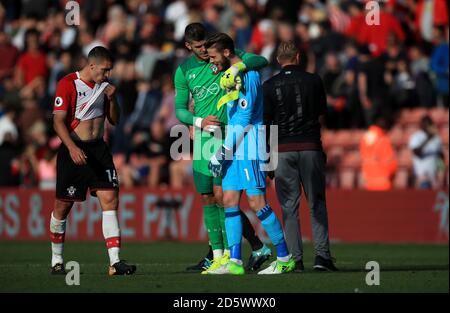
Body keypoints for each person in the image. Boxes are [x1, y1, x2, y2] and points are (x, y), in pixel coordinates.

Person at [174, 23, 271, 273]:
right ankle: (217, 254)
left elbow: (261, 60)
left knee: (225, 196)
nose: (205, 51)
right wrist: (197, 121)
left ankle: (235, 253)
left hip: (230, 135)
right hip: (204, 139)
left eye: (206, 45)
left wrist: (239, 65)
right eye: (198, 47)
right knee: (208, 197)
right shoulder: (184, 71)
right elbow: (180, 109)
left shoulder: (225, 55)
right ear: (188, 47)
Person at [206, 33, 296, 275]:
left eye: (213, 57)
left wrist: (222, 151)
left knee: (257, 203)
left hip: (249, 148)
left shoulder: (249, 75)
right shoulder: (229, 75)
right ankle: (234, 261)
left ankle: (285, 257)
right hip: (233, 149)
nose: (211, 62)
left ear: (226, 53)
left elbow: (246, 117)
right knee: (229, 201)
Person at [49, 46, 136, 276]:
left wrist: (113, 99)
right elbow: (58, 121)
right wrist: (72, 147)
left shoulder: (105, 88)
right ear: (92, 65)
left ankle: (115, 262)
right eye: (105, 70)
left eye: (110, 70)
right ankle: (57, 259)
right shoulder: (68, 84)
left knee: (111, 199)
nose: (107, 75)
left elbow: (114, 120)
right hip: (74, 149)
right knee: (63, 205)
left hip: (99, 149)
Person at [263, 41, 337, 272]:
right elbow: (321, 115)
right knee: (317, 203)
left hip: (282, 150)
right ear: (297, 57)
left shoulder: (269, 85)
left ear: (278, 60)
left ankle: (295, 259)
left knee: (288, 207)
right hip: (310, 147)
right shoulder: (314, 81)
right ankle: (322, 257)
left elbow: (266, 125)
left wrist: (268, 157)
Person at [359, 116, 398, 190]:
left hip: (369, 182)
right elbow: (390, 162)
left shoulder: (364, 138)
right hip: (383, 184)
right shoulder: (383, 140)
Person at [408, 115, 445, 189]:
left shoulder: (436, 138)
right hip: (420, 174)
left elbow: (441, 157)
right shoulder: (416, 136)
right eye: (425, 123)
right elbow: (416, 152)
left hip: (433, 174)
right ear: (421, 124)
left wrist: (441, 172)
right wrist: (428, 138)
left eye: (429, 123)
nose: (427, 125)